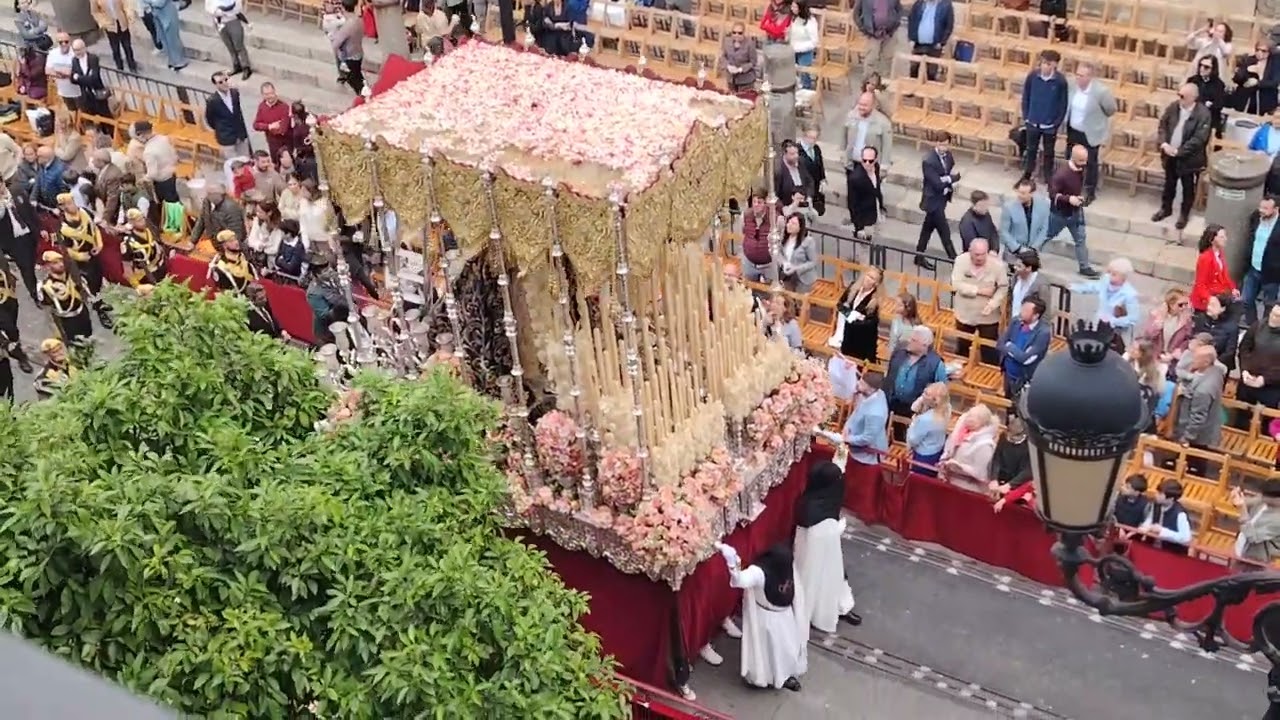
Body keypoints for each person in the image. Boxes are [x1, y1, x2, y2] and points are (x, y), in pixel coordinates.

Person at [715, 542, 807, 691]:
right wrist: (732, 563)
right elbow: (740, 580)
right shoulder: (759, 572)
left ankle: (784, 676)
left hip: (786, 616)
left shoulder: (787, 566)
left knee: (787, 649)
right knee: (767, 652)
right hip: (766, 618)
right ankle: (764, 678)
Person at [794, 461, 859, 633]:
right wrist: (838, 528)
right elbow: (817, 536)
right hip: (815, 554)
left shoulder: (822, 497)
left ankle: (841, 606)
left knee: (836, 576)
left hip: (829, 548)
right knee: (817, 581)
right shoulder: (812, 507)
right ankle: (813, 614)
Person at [1153, 84, 1212, 230]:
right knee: (1169, 184)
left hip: (1189, 159)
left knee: (1187, 188)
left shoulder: (1203, 114)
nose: (1180, 98)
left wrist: (1179, 151)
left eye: (1183, 96)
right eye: (1179, 95)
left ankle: (1184, 215)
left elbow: (1199, 139)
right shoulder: (1174, 107)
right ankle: (1165, 208)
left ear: (1193, 97)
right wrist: (1164, 143)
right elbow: (1163, 125)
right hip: (1169, 154)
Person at [55, 193, 113, 328]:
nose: (70, 206)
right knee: (90, 285)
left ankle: (100, 301)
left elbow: (95, 229)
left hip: (94, 253)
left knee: (98, 279)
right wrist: (80, 256)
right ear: (61, 207)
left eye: (71, 202)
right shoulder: (63, 226)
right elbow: (65, 249)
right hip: (81, 260)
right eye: (66, 204)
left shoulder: (85, 212)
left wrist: (99, 245)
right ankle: (99, 309)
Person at [1063, 62, 1115, 202]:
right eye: (1077, 74)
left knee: (1090, 162)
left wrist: (1098, 120)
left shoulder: (1101, 92)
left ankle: (1090, 191)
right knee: (1071, 158)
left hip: (1091, 132)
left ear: (1090, 77)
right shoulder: (1072, 86)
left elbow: (1110, 109)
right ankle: (1070, 186)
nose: (1078, 78)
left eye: (1082, 75)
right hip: (1073, 130)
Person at [1046, 144, 1099, 277]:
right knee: (1046, 235)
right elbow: (1052, 194)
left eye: (1085, 160)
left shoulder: (1082, 169)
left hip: (1076, 212)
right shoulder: (1061, 174)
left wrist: (1081, 197)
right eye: (1081, 160)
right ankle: (1028, 253)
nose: (1084, 163)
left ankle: (1084, 267)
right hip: (1060, 214)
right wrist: (1069, 199)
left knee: (1080, 238)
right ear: (1073, 158)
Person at [950, 238, 1007, 363]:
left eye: (983, 254)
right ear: (970, 251)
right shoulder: (961, 261)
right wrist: (979, 291)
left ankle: (990, 371)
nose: (980, 258)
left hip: (988, 317)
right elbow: (957, 284)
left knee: (989, 350)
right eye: (976, 254)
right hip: (965, 314)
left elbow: (1003, 288)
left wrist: (993, 304)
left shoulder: (998, 266)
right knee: (963, 347)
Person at [884, 326, 948, 435]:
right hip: (891, 404)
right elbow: (889, 375)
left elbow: (942, 392)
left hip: (916, 411)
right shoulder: (899, 353)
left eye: (914, 340)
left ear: (925, 344)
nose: (909, 341)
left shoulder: (936, 364)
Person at [1019, 50, 1068, 186]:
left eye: (1048, 64)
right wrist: (1026, 116)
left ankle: (1048, 177)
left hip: (1049, 125)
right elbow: (1026, 96)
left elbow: (1063, 104)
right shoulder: (1032, 76)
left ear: (1055, 65)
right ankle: (1027, 175)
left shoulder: (1060, 81)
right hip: (1032, 121)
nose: (1044, 66)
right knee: (1031, 150)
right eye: (1043, 63)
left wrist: (1056, 123)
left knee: (1048, 153)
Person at [914, 132, 957, 268]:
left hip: (942, 198)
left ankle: (919, 255)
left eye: (946, 144)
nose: (944, 147)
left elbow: (948, 169)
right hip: (933, 200)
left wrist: (946, 179)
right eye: (941, 144)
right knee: (944, 231)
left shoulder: (949, 156)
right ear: (936, 143)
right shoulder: (928, 160)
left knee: (927, 229)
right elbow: (936, 183)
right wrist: (951, 179)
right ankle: (954, 259)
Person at [997, 296, 1050, 399]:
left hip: (1024, 378)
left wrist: (1010, 346)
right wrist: (1016, 352)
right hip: (1007, 373)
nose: (1021, 312)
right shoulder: (1015, 321)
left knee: (1020, 405)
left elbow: (1025, 359)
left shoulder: (1043, 333)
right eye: (1022, 308)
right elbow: (1000, 344)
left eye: (1026, 311)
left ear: (1036, 316)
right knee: (1007, 400)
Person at [36, 251, 94, 345]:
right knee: (75, 344)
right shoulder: (46, 287)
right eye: (55, 263)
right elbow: (48, 311)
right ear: (47, 266)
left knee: (88, 337)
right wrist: (56, 331)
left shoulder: (72, 276)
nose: (60, 264)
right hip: (67, 321)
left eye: (60, 261)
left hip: (82, 313)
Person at [940, 404, 999, 492]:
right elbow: (949, 450)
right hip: (952, 482)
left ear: (982, 422)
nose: (968, 419)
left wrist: (959, 466)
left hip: (968, 488)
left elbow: (981, 473)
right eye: (969, 415)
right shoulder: (961, 433)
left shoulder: (986, 445)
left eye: (973, 417)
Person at [828, 267, 882, 361]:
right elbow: (840, 305)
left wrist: (855, 320)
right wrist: (850, 314)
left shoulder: (874, 301)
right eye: (868, 275)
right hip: (846, 331)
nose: (868, 279)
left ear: (876, 283)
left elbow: (870, 323)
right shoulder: (853, 286)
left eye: (872, 278)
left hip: (859, 339)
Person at [1243, 195, 1280, 326]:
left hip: (1272, 274)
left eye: (1266, 208)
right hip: (1253, 269)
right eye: (1261, 207)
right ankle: (1252, 325)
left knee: (1269, 304)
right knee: (1246, 299)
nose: (1261, 210)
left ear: (1276, 209)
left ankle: (1264, 327)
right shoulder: (1256, 218)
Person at [0, 183, 40, 301]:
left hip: (29, 233)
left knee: (36, 260)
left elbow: (30, 210)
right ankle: (34, 293)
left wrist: (39, 228)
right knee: (26, 268)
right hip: (14, 241)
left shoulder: (16, 191)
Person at [1238, 304, 1280, 412]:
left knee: (1267, 419)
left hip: (1272, 387)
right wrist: (1245, 370)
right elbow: (1244, 349)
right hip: (1248, 380)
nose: (1273, 318)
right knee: (1240, 415)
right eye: (1272, 314)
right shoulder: (1257, 326)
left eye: (1277, 316)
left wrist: (1265, 379)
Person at [842, 371, 889, 467]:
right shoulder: (875, 393)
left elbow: (867, 438)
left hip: (867, 456)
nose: (858, 383)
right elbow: (856, 412)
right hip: (854, 444)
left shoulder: (875, 413)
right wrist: (847, 427)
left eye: (862, 383)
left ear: (871, 389)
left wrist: (847, 439)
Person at [1139, 288, 1193, 369]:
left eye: (1186, 304)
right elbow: (1148, 336)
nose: (1184, 307)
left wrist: (1174, 354)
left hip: (1171, 360)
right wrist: (1159, 323)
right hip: (1152, 357)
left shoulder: (1186, 319)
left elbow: (1187, 339)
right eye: (1181, 305)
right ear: (1171, 304)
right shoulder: (1156, 316)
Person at [1190, 223, 1238, 312]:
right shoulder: (1205, 258)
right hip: (1206, 302)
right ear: (1212, 240)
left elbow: (1224, 275)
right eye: (1221, 237)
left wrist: (1232, 288)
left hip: (1218, 295)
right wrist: (1209, 298)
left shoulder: (1220, 253)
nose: (1225, 239)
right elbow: (1200, 283)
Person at [853, 0, 902, 86]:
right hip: (872, 34)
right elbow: (856, 14)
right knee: (871, 60)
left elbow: (899, 10)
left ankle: (883, 85)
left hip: (889, 34)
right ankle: (868, 85)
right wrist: (864, 29)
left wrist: (895, 25)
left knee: (887, 60)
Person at [998, 178, 1049, 258]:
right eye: (1019, 192)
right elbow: (1003, 231)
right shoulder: (1009, 207)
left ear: (1032, 193)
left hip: (1032, 252)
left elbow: (1044, 228)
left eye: (1023, 193)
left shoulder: (1043, 206)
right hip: (1013, 252)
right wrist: (1018, 248)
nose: (1019, 195)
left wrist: (1034, 248)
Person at [905, 381, 949, 476]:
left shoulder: (925, 419)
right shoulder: (946, 409)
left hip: (923, 455)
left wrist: (913, 424)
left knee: (918, 479)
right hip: (937, 450)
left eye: (926, 394)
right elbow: (914, 407)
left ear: (934, 400)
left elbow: (913, 440)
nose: (923, 395)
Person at [1136, 479, 1192, 552]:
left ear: (1171, 498)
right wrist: (1145, 527)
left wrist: (1162, 530)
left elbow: (1186, 538)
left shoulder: (1180, 514)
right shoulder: (1156, 505)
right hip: (1152, 547)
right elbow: (1150, 519)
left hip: (1171, 552)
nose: (1156, 495)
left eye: (1160, 494)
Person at [842, 92, 893, 171]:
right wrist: (843, 154)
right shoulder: (851, 116)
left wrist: (884, 166)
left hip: (870, 165)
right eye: (860, 104)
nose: (861, 107)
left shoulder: (883, 122)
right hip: (851, 163)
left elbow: (887, 146)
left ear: (872, 105)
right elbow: (844, 136)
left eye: (865, 105)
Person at [0, 254, 33, 379]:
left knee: (13, 328)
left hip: (8, 295)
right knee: (9, 327)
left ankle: (13, 345)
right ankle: (19, 356)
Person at [1232, 483, 1280, 565]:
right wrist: (1237, 496)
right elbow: (1248, 501)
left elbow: (1252, 537)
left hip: (1255, 561)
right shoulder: (1264, 502)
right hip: (1240, 550)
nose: (1262, 497)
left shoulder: (1277, 520)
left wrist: (1242, 509)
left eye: (1266, 496)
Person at [205, 72, 250, 159]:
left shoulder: (234, 93)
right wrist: (221, 128)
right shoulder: (212, 101)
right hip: (226, 138)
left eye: (226, 80)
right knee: (233, 163)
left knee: (245, 160)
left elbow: (238, 112)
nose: (224, 83)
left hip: (240, 134)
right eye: (220, 82)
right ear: (215, 85)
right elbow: (210, 119)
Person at [986, 416, 1032, 502]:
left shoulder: (1030, 446)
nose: (1010, 438)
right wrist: (994, 478)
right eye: (1009, 434)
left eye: (1014, 437)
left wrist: (1010, 485)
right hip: (1001, 479)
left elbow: (1028, 471)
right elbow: (997, 458)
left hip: (1018, 485)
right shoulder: (1004, 436)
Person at [905, 0, 953, 81]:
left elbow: (949, 26)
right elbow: (911, 20)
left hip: (935, 46)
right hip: (918, 44)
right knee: (914, 70)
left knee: (931, 73)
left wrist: (942, 42)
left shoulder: (946, 5)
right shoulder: (919, 4)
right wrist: (911, 38)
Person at [134, 120, 180, 204]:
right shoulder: (164, 138)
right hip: (172, 174)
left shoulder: (149, 152)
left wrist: (143, 179)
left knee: (167, 205)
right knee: (175, 201)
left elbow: (152, 174)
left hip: (162, 182)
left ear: (141, 134)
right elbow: (174, 155)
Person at [1230, 41, 1280, 116]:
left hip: (1265, 100)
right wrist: (1244, 71)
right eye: (1257, 50)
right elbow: (1237, 79)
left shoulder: (1275, 64)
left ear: (1269, 52)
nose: (1259, 53)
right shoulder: (1249, 60)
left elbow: (1275, 82)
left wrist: (1258, 81)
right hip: (1247, 99)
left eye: (1263, 51)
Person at [120, 208, 167, 287]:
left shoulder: (149, 231)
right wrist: (138, 286)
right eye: (139, 220)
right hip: (144, 276)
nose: (143, 222)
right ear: (131, 222)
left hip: (159, 269)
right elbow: (127, 269)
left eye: (143, 218)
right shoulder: (128, 243)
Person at [844, 145, 884, 237]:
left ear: (876, 160)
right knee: (865, 243)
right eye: (864, 160)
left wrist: (881, 206)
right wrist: (859, 227)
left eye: (870, 161)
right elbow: (852, 204)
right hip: (864, 219)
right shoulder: (855, 178)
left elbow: (876, 188)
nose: (867, 163)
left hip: (875, 211)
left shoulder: (876, 168)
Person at [1193, 294, 1239, 372]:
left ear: (1223, 308)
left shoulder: (1231, 327)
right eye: (1209, 304)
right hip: (1198, 360)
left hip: (1218, 364)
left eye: (1213, 305)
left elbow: (1229, 352)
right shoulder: (1202, 319)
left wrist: (1211, 363)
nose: (1208, 307)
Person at [207, 0, 253, 78]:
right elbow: (208, 8)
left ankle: (246, 67)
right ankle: (236, 65)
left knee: (239, 45)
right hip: (220, 23)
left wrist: (225, 11)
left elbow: (237, 7)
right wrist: (216, 11)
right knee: (229, 46)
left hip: (233, 20)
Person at [91, 0, 140, 72]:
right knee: (115, 48)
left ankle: (132, 66)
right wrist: (103, 22)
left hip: (122, 22)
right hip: (110, 25)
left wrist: (129, 16)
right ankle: (119, 67)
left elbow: (126, 4)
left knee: (127, 46)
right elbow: (95, 12)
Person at [332, 0, 367, 95]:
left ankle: (365, 96)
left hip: (349, 56)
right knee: (358, 76)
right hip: (358, 53)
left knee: (354, 80)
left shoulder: (348, 25)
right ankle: (365, 92)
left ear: (343, 8)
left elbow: (335, 44)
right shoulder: (359, 20)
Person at [1008, 248, 1051, 324]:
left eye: (1019, 266)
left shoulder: (1041, 285)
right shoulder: (1016, 277)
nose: (1015, 268)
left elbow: (1045, 313)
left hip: (1029, 326)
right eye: (1016, 265)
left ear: (1028, 268)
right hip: (1014, 322)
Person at [1187, 55, 1227, 137]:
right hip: (1191, 116)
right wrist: (1205, 102)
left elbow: (1218, 105)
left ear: (1213, 69)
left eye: (1206, 67)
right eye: (1200, 65)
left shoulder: (1219, 84)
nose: (1202, 69)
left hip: (1209, 119)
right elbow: (1187, 99)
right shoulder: (1192, 81)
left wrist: (1201, 102)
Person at [253, 83, 293, 162]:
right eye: (266, 94)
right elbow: (255, 125)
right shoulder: (262, 107)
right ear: (262, 95)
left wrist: (269, 128)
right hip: (272, 144)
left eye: (271, 93)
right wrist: (269, 126)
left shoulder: (284, 106)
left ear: (275, 92)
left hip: (285, 144)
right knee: (275, 163)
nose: (269, 96)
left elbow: (282, 130)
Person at [777, 214, 817, 294]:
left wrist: (796, 268)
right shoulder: (783, 237)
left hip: (803, 279)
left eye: (793, 223)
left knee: (799, 299)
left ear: (800, 227)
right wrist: (784, 263)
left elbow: (812, 262)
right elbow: (779, 253)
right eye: (788, 222)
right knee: (784, 297)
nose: (789, 225)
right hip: (787, 276)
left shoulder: (808, 241)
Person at [145, 0, 189, 72]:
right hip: (161, 14)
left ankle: (176, 61)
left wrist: (150, 2)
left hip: (164, 13)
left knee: (170, 38)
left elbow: (158, 3)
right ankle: (174, 61)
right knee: (167, 39)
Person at [44, 32, 82, 112]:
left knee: (82, 112)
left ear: (70, 42)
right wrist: (62, 74)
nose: (64, 44)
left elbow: (80, 71)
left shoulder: (75, 53)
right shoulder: (53, 53)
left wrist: (61, 72)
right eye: (61, 42)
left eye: (66, 42)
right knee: (71, 111)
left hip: (78, 91)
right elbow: (47, 70)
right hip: (63, 91)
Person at [796, 124, 825, 216]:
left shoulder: (816, 149)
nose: (812, 141)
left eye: (815, 138)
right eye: (810, 137)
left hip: (815, 187)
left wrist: (822, 179)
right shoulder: (797, 151)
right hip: (804, 188)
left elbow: (820, 165)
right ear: (804, 135)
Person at [719, 22, 757, 94]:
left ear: (744, 33)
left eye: (740, 33)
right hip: (731, 79)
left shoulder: (750, 44)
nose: (736, 35)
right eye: (734, 32)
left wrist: (740, 69)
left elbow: (753, 62)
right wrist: (728, 66)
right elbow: (723, 56)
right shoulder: (727, 41)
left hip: (745, 80)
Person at [886, 292, 919, 356]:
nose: (895, 306)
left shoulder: (913, 327)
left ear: (908, 308)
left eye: (899, 305)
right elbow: (892, 341)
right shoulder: (896, 320)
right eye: (895, 303)